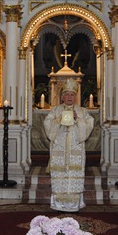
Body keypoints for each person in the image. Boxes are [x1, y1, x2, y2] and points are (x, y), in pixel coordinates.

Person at [43, 79, 94, 212]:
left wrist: (78, 120)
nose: (69, 97)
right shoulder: (55, 110)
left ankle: (73, 205)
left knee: (74, 175)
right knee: (59, 176)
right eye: (67, 94)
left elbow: (89, 125)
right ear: (62, 96)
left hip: (75, 151)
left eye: (72, 94)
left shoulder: (82, 111)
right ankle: (58, 204)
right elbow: (47, 125)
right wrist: (59, 120)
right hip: (59, 150)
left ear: (75, 96)